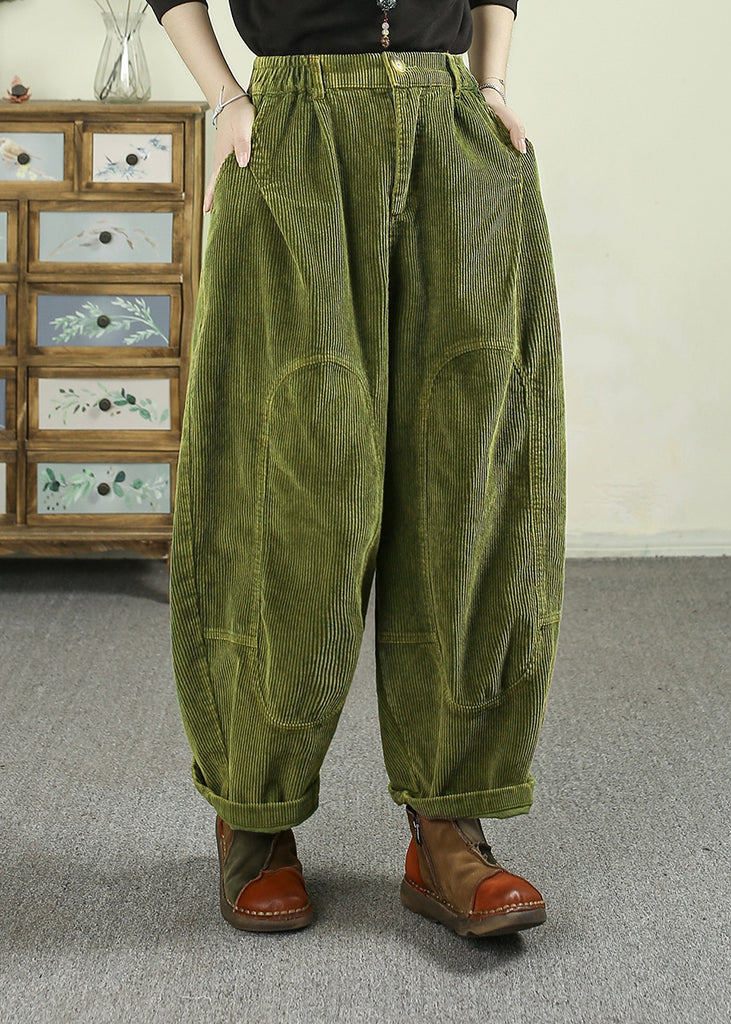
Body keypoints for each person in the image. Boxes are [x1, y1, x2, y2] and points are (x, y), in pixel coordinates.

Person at [148, 0, 566, 938]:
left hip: (450, 125)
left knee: (470, 478)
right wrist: (225, 97)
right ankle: (255, 811)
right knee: (292, 479)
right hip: (293, 127)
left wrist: (491, 83)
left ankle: (448, 825)